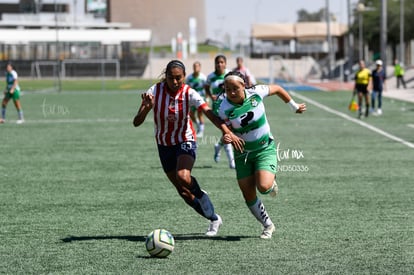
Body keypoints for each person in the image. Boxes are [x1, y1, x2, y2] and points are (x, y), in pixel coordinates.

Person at [133, 60, 243, 236]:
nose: (175, 82)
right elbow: (136, 122)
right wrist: (146, 109)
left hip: (185, 139)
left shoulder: (189, 93)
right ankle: (213, 218)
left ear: (184, 77)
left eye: (178, 78)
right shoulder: (154, 92)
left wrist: (226, 130)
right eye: (171, 78)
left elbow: (209, 113)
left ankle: (200, 194)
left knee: (183, 176)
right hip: (163, 145)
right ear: (165, 77)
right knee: (183, 192)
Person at [218, 71, 306, 239]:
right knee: (248, 194)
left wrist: (293, 106)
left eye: (235, 88)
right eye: (228, 89)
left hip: (264, 148)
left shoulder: (256, 92)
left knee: (264, 187)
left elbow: (279, 89)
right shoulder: (222, 107)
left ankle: (272, 183)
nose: (231, 92)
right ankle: (268, 225)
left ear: (244, 85)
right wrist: (227, 135)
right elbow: (225, 128)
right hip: (242, 154)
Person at [204, 54, 235, 169]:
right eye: (218, 62)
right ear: (215, 64)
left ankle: (218, 146)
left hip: (231, 106)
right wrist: (210, 95)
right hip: (218, 108)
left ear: (225, 63)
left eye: (222, 62)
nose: (220, 64)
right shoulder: (211, 76)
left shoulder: (229, 74)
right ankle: (232, 162)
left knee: (230, 131)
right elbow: (206, 86)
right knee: (227, 132)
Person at [185, 61, 207, 137]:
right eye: (194, 67)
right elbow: (186, 88)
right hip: (192, 99)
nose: (196, 68)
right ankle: (198, 125)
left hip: (201, 99)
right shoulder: (189, 78)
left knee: (200, 114)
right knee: (191, 114)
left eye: (197, 66)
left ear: (200, 68)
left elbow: (206, 88)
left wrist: (207, 98)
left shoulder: (203, 77)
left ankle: (201, 131)